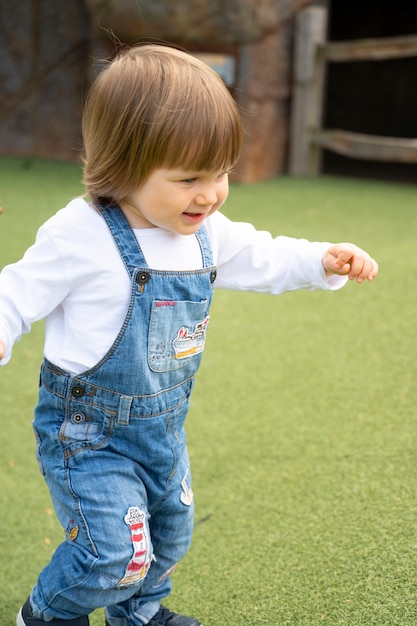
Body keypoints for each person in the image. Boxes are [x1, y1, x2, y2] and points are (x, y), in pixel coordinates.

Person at [0, 44, 378, 626]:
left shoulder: (205, 231)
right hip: (89, 435)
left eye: (221, 172)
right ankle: (45, 616)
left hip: (163, 431)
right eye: (189, 178)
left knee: (167, 539)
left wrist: (321, 261)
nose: (210, 193)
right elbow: (18, 289)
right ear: (123, 166)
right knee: (114, 554)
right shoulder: (82, 233)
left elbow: (262, 255)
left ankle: (140, 615)